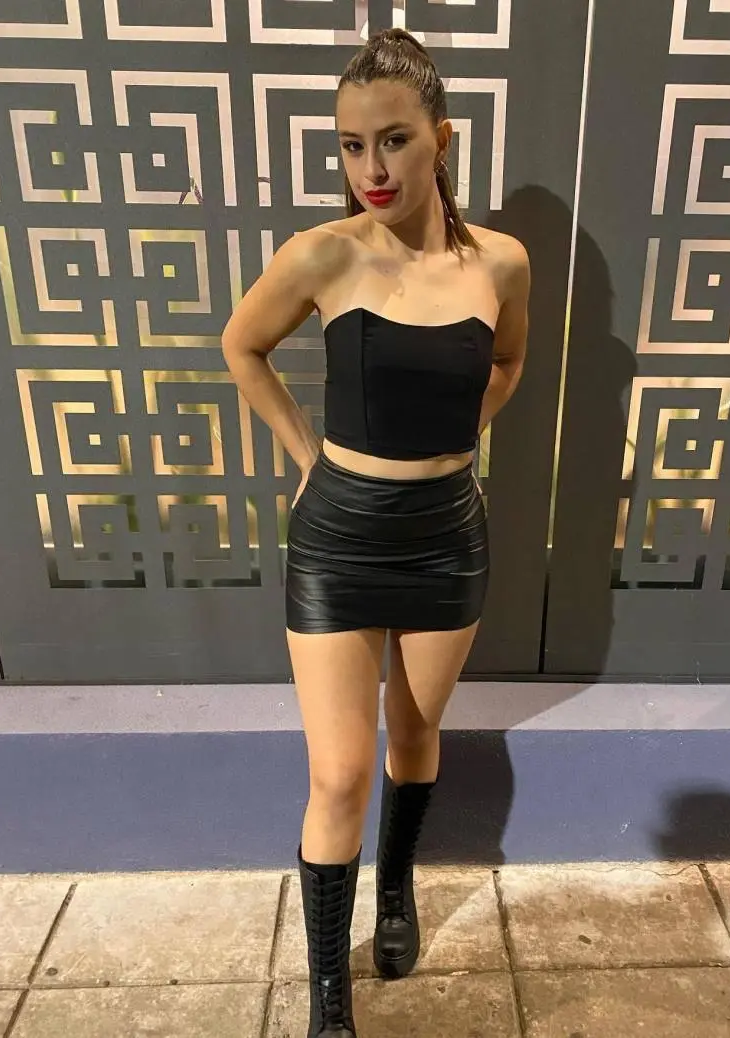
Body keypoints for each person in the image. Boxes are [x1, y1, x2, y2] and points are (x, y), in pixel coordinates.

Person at [222, 27, 529, 1038]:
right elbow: (243, 345)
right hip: (339, 537)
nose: (372, 169)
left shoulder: (503, 263)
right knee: (338, 772)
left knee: (416, 732)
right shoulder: (323, 253)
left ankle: (395, 892)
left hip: (447, 534)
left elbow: (508, 363)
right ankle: (328, 1002)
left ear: (442, 138)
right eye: (351, 146)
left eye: (393, 140)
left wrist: (461, 436)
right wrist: (306, 456)